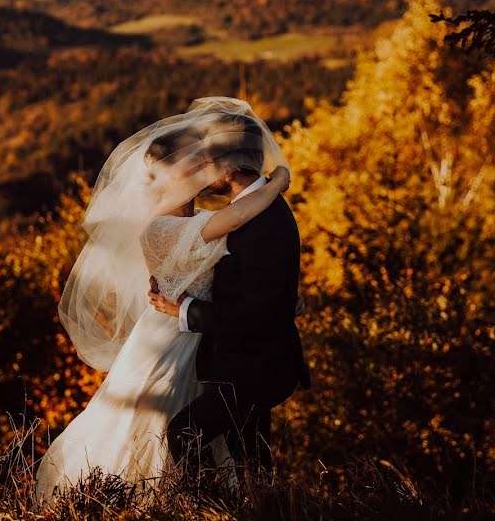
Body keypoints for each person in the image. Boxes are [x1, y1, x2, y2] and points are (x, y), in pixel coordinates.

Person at [35, 97, 307, 508]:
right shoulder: (167, 227)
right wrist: (277, 182)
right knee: (181, 430)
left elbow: (249, 281)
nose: (202, 170)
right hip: (173, 338)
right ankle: (170, 503)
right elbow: (234, 230)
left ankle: (214, 505)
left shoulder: (224, 219)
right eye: (192, 164)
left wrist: (283, 300)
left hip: (215, 344)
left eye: (207, 162)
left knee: (219, 439)